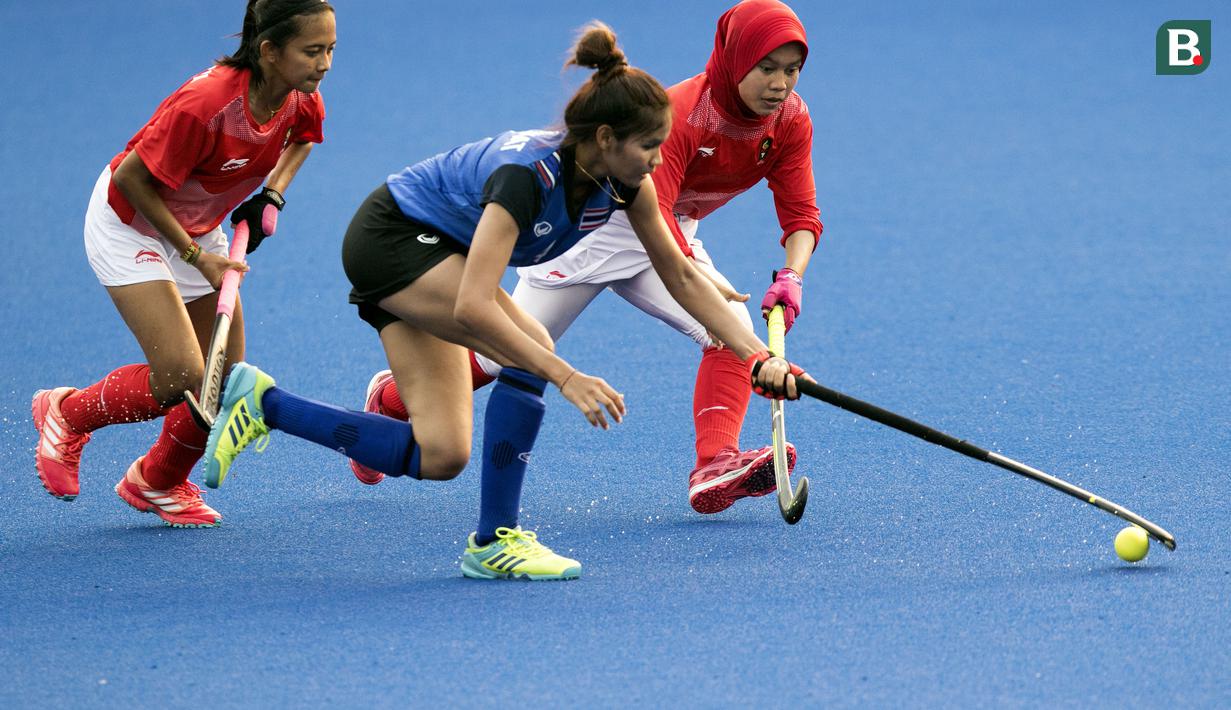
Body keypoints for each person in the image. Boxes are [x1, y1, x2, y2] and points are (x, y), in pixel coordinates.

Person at [202, 22, 805, 581]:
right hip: (393, 239)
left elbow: (681, 273)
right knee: (532, 350)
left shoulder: (629, 180)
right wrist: (567, 377)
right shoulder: (528, 178)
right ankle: (495, 541)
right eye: (649, 146)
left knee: (440, 454)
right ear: (604, 138)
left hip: (444, 252)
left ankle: (266, 403)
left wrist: (754, 357)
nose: (657, 161)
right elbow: (472, 307)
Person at [353, 0, 821, 515]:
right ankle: (392, 401)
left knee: (726, 327)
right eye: (767, 69)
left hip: (658, 228)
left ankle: (716, 461)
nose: (780, 84)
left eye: (792, 70)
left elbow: (799, 210)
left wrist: (790, 278)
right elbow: (659, 219)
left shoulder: (790, 120)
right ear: (735, 60)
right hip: (595, 226)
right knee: (501, 352)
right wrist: (701, 279)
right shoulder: (679, 115)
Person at [30, 0, 335, 527]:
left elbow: (303, 140)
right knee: (180, 375)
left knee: (222, 379)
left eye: (330, 49)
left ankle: (156, 481)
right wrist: (197, 256)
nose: (325, 63)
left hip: (194, 225)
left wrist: (272, 195)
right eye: (312, 51)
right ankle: (67, 414)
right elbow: (131, 177)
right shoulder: (207, 104)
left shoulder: (298, 96)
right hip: (129, 224)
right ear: (268, 50)